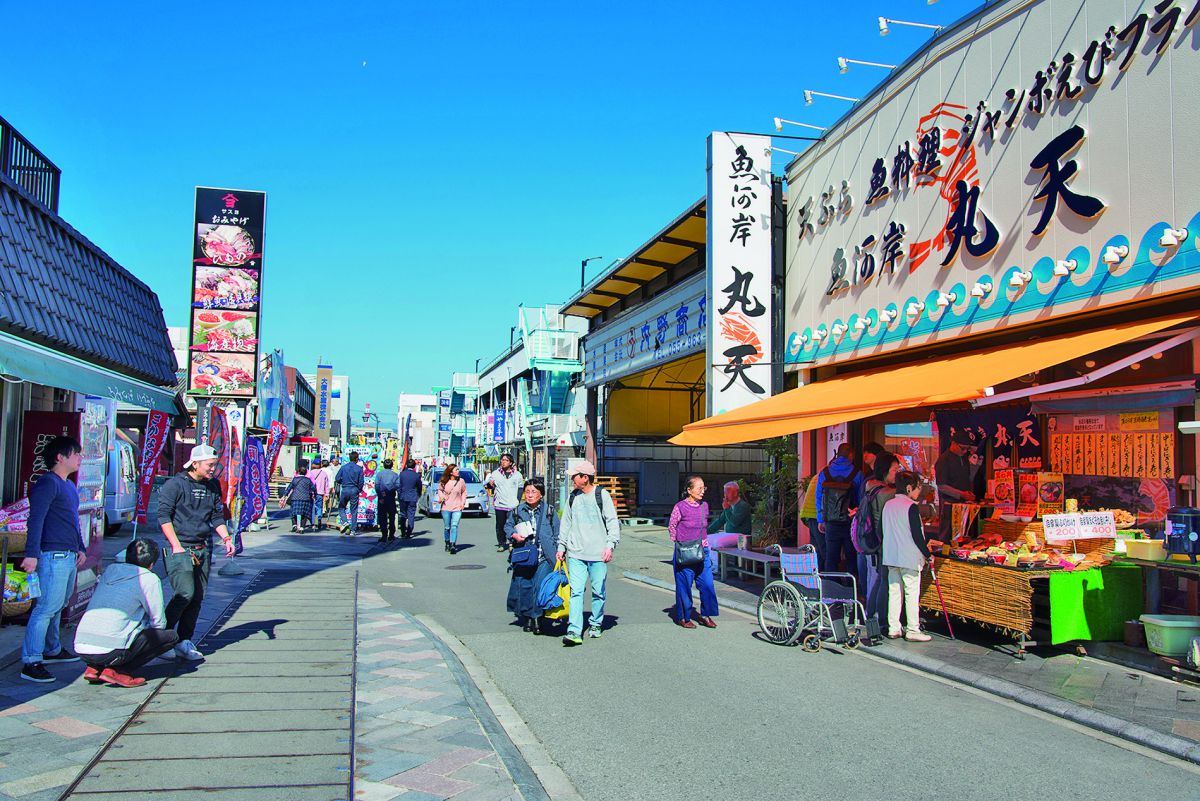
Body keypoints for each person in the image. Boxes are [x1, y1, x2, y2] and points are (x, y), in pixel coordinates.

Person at [157, 444, 237, 662]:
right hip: (180, 546)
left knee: (198, 597)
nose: (213, 469)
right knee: (185, 593)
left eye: (214, 465)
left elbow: (216, 517)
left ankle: (184, 640)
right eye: (210, 465)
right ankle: (162, 639)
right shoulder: (176, 485)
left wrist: (227, 539)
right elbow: (163, 516)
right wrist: (175, 545)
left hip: (203, 547)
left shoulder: (212, 486)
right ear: (195, 464)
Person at [19, 436, 87, 683]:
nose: (80, 458)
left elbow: (72, 520)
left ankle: (52, 649)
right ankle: (31, 660)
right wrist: (31, 554)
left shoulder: (68, 485)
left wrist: (80, 547)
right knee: (46, 608)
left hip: (67, 555)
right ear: (60, 457)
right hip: (52, 555)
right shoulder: (48, 483)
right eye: (76, 453)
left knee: (57, 606)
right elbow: (35, 519)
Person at [73, 538, 179, 688]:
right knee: (169, 637)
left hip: (81, 646)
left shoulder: (111, 570)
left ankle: (94, 667)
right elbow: (158, 622)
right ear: (152, 564)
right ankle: (119, 671)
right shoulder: (149, 579)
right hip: (111, 650)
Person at [555, 460, 620, 646]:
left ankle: (596, 623)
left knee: (598, 591)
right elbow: (565, 523)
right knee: (576, 592)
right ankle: (574, 630)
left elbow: (612, 522)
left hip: (598, 553)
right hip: (576, 553)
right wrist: (562, 547)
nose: (572, 479)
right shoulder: (573, 497)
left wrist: (610, 545)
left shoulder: (602, 495)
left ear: (585, 478)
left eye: (575, 476)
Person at [504, 478, 560, 635]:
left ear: (541, 494)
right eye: (527, 492)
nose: (529, 495)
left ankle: (537, 618)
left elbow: (557, 532)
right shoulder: (517, 511)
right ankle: (528, 617)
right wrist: (514, 535)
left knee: (539, 586)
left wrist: (559, 550)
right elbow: (507, 527)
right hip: (524, 555)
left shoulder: (549, 511)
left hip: (545, 556)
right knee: (525, 586)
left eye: (533, 492)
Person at [882, 471, 932, 642]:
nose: (919, 492)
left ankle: (893, 628)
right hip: (909, 557)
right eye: (918, 488)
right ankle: (912, 629)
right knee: (911, 593)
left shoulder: (888, 505)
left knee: (894, 592)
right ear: (909, 488)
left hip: (891, 556)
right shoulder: (911, 507)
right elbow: (917, 536)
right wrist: (928, 554)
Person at [857, 452, 900, 629]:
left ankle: (870, 615)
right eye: (895, 469)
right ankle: (880, 620)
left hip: (869, 540)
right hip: (882, 542)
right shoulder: (887, 493)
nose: (897, 472)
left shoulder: (870, 486)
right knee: (883, 580)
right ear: (885, 470)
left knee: (877, 580)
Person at [670, 476, 718, 630]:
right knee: (684, 585)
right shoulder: (680, 507)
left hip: (702, 551)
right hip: (685, 552)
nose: (702, 491)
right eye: (699, 488)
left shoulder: (705, 506)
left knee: (708, 585)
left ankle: (705, 615)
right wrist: (680, 543)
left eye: (704, 488)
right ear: (689, 490)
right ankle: (684, 617)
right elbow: (672, 526)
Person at [816, 444, 863, 573]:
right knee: (851, 556)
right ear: (851, 455)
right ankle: (851, 587)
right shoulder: (857, 473)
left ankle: (832, 586)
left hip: (831, 521)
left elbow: (819, 497)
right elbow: (861, 498)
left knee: (831, 557)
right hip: (850, 520)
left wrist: (820, 519)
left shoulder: (825, 472)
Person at [935, 430, 976, 542]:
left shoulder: (964, 458)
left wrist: (968, 493)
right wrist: (961, 494)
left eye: (967, 449)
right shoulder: (944, 460)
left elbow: (967, 479)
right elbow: (941, 485)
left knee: (964, 536)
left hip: (964, 504)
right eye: (962, 448)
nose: (964, 451)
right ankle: (944, 558)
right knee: (948, 536)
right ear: (953, 443)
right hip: (949, 505)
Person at [485, 454, 524, 553]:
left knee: (512, 525)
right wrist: (490, 485)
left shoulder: (517, 475)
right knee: (500, 525)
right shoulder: (495, 473)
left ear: (510, 462)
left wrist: (517, 501)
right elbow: (490, 486)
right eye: (502, 460)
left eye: (506, 460)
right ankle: (501, 543)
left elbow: (520, 488)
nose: (503, 462)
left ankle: (512, 543)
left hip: (512, 504)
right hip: (500, 504)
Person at [437, 463, 467, 554]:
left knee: (454, 526)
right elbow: (440, 490)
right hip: (446, 507)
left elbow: (464, 491)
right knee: (447, 527)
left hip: (457, 507)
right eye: (456, 470)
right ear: (451, 472)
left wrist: (462, 503)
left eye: (458, 470)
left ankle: (453, 544)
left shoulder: (461, 481)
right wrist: (442, 497)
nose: (458, 471)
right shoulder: (444, 481)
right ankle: (447, 542)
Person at [335, 452, 366, 535]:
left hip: (345, 489)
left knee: (341, 507)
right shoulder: (359, 468)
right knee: (354, 510)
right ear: (356, 459)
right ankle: (353, 530)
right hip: (354, 489)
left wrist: (343, 482)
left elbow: (337, 478)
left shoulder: (343, 467)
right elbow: (361, 482)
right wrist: (358, 489)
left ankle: (344, 522)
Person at [281, 465, 316, 533]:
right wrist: (315, 494)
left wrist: (284, 495)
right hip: (306, 498)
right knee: (305, 513)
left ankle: (294, 525)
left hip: (295, 498)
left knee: (293, 512)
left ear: (298, 472)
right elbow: (313, 488)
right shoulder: (308, 480)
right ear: (306, 473)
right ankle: (302, 527)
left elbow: (289, 488)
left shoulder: (295, 479)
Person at [374, 458, 400, 542]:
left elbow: (377, 486)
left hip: (382, 497)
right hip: (391, 496)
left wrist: (381, 495)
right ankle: (391, 534)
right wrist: (391, 490)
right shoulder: (395, 475)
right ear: (392, 465)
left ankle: (384, 535)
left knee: (382, 516)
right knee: (392, 516)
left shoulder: (379, 474)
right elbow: (398, 485)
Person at [396, 459, 423, 538]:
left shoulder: (402, 474)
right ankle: (409, 532)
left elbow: (398, 486)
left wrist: (399, 494)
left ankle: (403, 532)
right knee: (411, 515)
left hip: (403, 497)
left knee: (403, 514)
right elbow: (419, 486)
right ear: (414, 466)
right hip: (412, 497)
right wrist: (418, 494)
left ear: (407, 466)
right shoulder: (417, 475)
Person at [311, 458, 332, 531]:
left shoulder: (311, 473)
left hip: (312, 493)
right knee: (319, 506)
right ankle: (319, 518)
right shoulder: (324, 473)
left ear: (313, 464)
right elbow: (327, 485)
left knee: (312, 507)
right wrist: (327, 494)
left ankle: (313, 523)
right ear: (320, 465)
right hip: (320, 493)